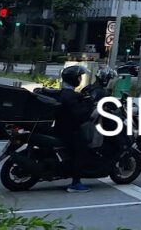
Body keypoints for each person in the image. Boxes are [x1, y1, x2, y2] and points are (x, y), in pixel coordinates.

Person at [51, 65, 95, 193]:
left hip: (60, 128)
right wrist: (88, 104)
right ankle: (75, 183)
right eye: (79, 77)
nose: (81, 79)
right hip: (69, 130)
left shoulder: (64, 93)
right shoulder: (71, 96)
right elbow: (80, 114)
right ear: (74, 79)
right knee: (82, 150)